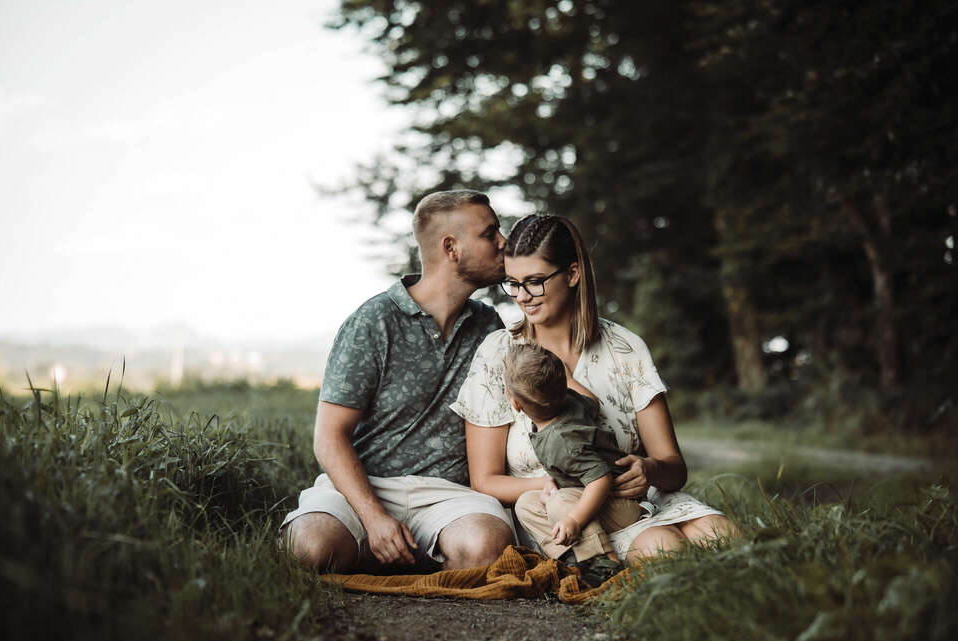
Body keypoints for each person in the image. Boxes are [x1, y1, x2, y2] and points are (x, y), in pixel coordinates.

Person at [452, 213, 738, 563]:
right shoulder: (498, 353)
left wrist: (648, 470)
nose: (522, 296)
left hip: (635, 501)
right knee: (666, 549)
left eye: (535, 281)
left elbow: (674, 468)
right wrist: (553, 488)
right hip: (562, 514)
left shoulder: (625, 348)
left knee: (726, 536)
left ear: (572, 274)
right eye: (512, 283)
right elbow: (485, 479)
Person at [281, 190, 515, 573]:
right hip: (365, 488)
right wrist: (373, 518)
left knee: (487, 546)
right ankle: (386, 549)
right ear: (451, 247)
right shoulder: (374, 322)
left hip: (450, 497)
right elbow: (329, 438)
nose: (503, 242)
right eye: (490, 233)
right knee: (308, 547)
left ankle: (403, 556)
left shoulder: (489, 325)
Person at [503, 342, 646, 567]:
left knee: (558, 502)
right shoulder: (571, 400)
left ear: (516, 404)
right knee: (525, 504)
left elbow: (601, 479)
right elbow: (594, 403)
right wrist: (568, 379)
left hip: (620, 502)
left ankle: (602, 563)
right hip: (588, 494)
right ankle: (569, 556)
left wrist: (574, 520)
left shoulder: (561, 440)